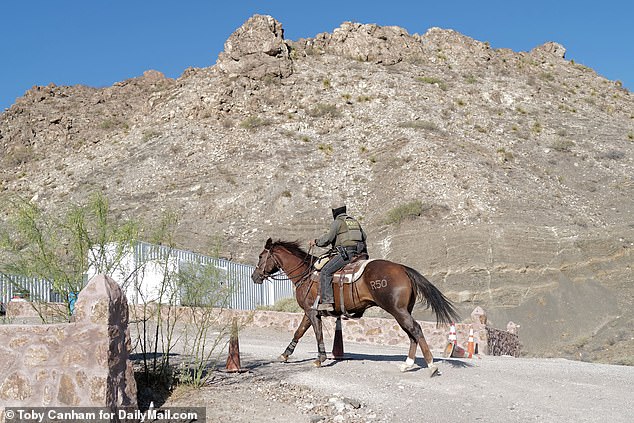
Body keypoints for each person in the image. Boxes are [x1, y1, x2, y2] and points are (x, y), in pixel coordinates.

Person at [309, 205, 367, 311]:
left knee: (326, 272)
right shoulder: (354, 222)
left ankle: (327, 302)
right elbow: (364, 236)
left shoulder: (337, 222)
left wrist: (316, 242)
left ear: (334, 213)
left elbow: (327, 239)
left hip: (347, 254)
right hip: (360, 254)